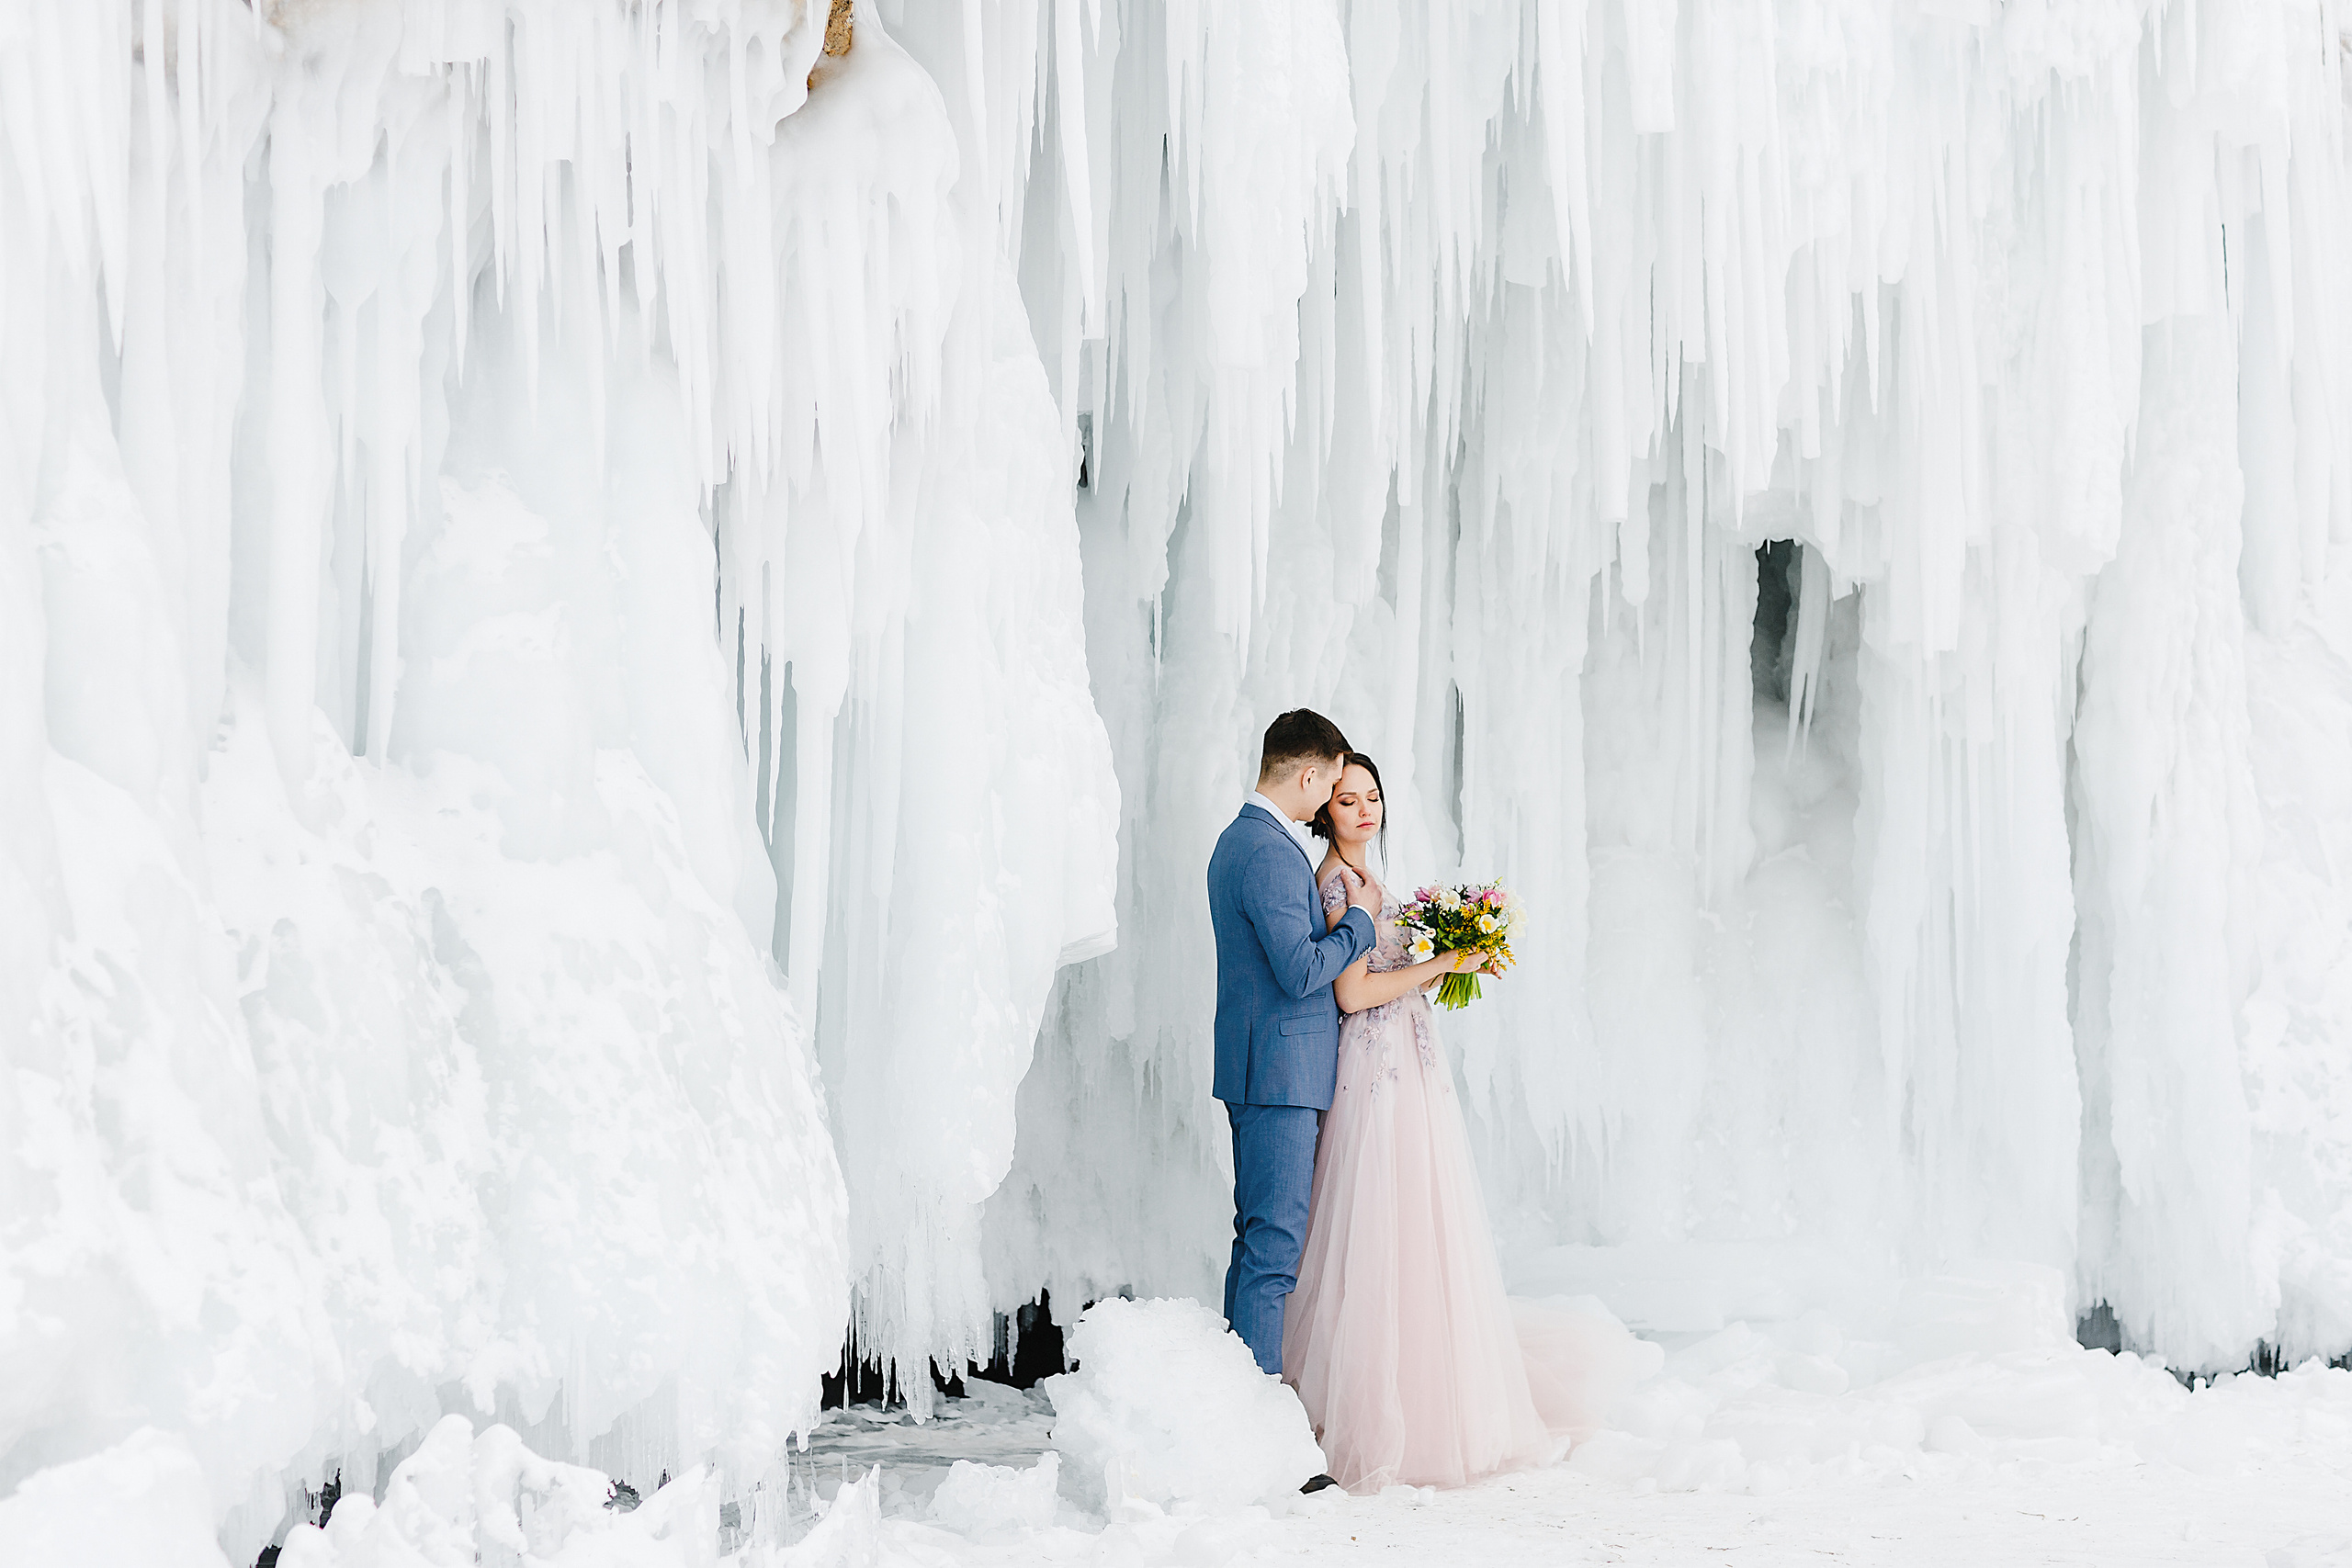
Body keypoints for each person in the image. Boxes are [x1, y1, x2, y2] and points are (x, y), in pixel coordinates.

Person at [1283, 751, 1611, 1493]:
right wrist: (1440, 963)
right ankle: (1369, 1410)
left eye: (1372, 796)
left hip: (1405, 1063)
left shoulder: (1368, 879)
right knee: (1379, 1223)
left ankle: (1421, 1384)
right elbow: (1354, 992)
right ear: (1323, 811)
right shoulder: (1336, 884)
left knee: (1416, 1222)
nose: (1364, 809)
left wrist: (1454, 955)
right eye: (1347, 799)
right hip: (1375, 1069)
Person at [1206, 711, 1383, 1416]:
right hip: (1278, 1075)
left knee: (1257, 1244)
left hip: (1265, 1068)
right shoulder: (1270, 852)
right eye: (1334, 785)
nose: (1332, 802)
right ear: (1310, 775)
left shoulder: (1242, 841)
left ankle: (1231, 1415)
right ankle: (1257, 1431)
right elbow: (1302, 968)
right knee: (1273, 1252)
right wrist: (1361, 924)